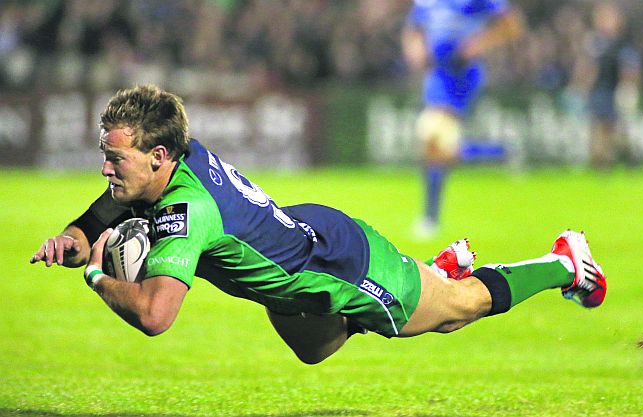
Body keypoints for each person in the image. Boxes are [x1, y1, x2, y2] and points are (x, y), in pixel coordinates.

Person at [30, 85, 606, 364]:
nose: (105, 168)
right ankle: (428, 275)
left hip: (339, 264)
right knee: (315, 350)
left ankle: (564, 262)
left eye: (116, 158)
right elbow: (111, 206)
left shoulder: (188, 213)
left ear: (159, 157)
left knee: (456, 312)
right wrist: (75, 239)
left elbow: (156, 316)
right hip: (294, 270)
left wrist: (100, 278)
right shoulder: (177, 157)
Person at [401, 0, 523, 238]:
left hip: (463, 74)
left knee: (433, 137)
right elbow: (413, 29)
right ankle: (500, 152)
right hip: (437, 74)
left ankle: (429, 219)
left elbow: (511, 25)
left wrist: (478, 44)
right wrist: (414, 49)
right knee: (438, 148)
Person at [583, 1, 641, 169]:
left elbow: (630, 68)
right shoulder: (594, 42)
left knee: (613, 129)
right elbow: (589, 68)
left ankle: (626, 159)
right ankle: (603, 162)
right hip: (599, 90)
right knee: (600, 126)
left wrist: (628, 89)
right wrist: (583, 87)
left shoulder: (622, 44)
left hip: (614, 90)